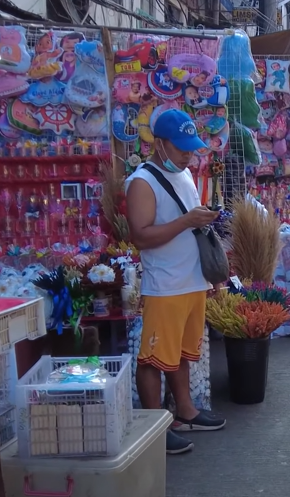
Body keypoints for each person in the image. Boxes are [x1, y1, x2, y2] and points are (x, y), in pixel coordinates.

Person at [124, 109, 226, 455]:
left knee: (180, 354)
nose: (188, 154)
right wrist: (185, 221)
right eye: (181, 147)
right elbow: (140, 236)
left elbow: (191, 226)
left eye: (190, 147)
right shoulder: (142, 182)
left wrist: (210, 275)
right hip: (165, 285)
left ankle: (185, 410)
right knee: (153, 358)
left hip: (191, 281)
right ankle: (155, 425)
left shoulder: (183, 174)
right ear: (160, 145)